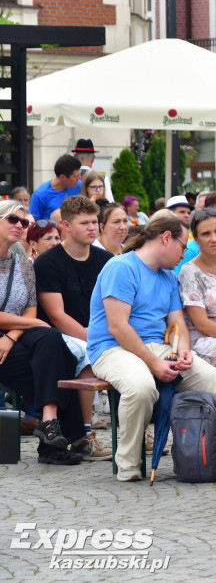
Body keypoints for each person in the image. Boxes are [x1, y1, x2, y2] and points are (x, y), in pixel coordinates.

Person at [87, 216, 216, 482]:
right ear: (165, 238)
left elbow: (177, 323)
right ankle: (128, 465)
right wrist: (154, 363)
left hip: (157, 348)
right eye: (183, 247)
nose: (184, 254)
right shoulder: (121, 267)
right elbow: (118, 327)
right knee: (141, 388)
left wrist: (183, 350)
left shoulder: (169, 276)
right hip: (111, 349)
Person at [0, 199, 94, 465]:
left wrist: (12, 335)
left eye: (24, 222)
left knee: (52, 341)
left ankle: (49, 421)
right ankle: (56, 443)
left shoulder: (23, 265)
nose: (20, 225)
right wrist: (35, 325)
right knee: (56, 360)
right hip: (15, 337)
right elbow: (33, 319)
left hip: (14, 337)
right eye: (12, 220)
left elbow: (29, 311)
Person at [178, 209, 216, 372]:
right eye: (206, 234)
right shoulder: (190, 272)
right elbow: (202, 324)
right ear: (196, 239)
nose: (214, 239)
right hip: (208, 340)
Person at [30, 155, 82, 220]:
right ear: (62, 177)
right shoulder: (40, 195)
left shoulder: (79, 186)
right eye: (75, 176)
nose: (79, 178)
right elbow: (34, 222)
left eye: (80, 174)